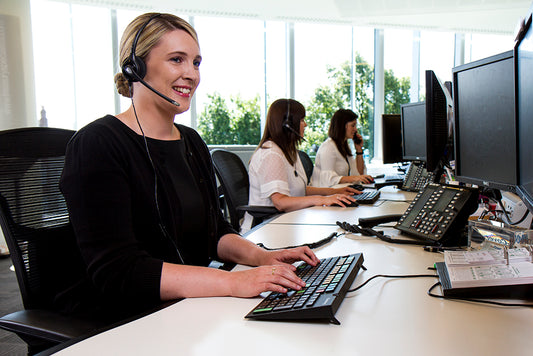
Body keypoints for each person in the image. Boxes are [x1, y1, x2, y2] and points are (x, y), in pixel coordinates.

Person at [57, 13, 319, 322]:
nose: (191, 74)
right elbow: (119, 271)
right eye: (176, 60)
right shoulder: (98, 144)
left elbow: (215, 232)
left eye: (196, 63)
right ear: (135, 67)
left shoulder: (191, 141)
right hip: (119, 317)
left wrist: (263, 258)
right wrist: (234, 282)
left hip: (186, 304)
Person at [242, 99, 358, 233]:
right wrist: (321, 200)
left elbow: (299, 190)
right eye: (302, 120)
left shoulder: (288, 152)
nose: (306, 124)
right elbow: (280, 202)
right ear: (287, 125)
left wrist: (335, 192)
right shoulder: (271, 154)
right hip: (266, 231)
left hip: (287, 223)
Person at [311, 109, 374, 187]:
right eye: (353, 125)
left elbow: (358, 174)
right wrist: (354, 178)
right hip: (325, 196)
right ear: (342, 126)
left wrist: (359, 150)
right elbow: (328, 180)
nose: (355, 129)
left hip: (339, 193)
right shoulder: (328, 147)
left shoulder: (344, 147)